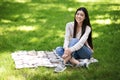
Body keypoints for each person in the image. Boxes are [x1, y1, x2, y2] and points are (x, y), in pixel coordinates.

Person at [54, 7, 93, 73]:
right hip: (74, 52)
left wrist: (69, 50)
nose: (79, 16)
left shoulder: (87, 28)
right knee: (58, 49)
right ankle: (78, 63)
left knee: (74, 40)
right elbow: (66, 39)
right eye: (77, 14)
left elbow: (80, 43)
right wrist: (66, 48)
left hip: (85, 52)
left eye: (81, 15)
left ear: (85, 17)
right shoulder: (69, 25)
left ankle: (63, 63)